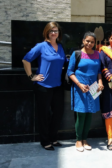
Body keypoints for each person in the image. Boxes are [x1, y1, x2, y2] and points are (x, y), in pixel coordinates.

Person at [22, 22, 66, 150]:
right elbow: (26, 60)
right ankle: (45, 140)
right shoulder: (41, 46)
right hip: (43, 86)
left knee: (58, 113)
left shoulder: (61, 46)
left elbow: (65, 62)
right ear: (47, 32)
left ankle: (53, 138)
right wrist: (31, 76)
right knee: (44, 115)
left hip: (57, 85)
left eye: (56, 31)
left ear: (59, 33)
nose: (54, 33)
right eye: (51, 31)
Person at [67, 32, 104, 152]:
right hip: (80, 86)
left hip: (94, 87)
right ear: (83, 41)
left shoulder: (97, 54)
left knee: (89, 114)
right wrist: (79, 84)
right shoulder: (76, 53)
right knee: (81, 114)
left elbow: (99, 71)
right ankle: (78, 140)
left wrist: (100, 82)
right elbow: (70, 72)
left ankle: (85, 139)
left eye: (92, 42)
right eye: (87, 41)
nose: (89, 43)